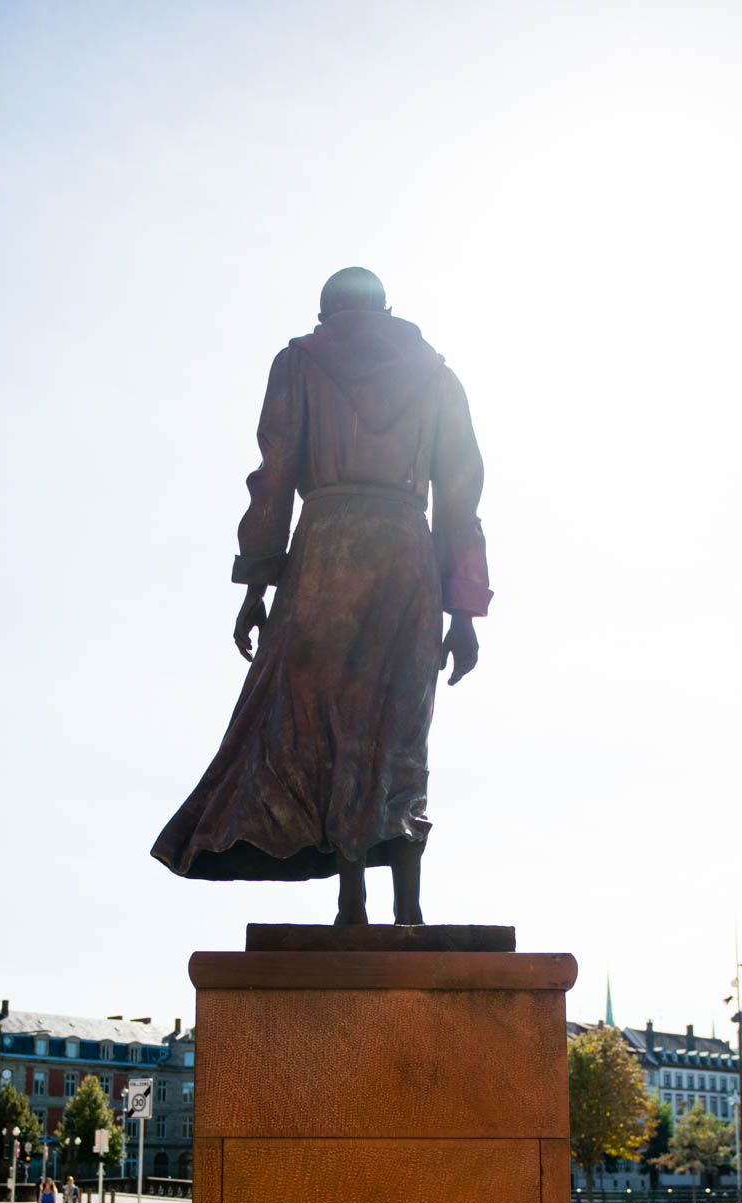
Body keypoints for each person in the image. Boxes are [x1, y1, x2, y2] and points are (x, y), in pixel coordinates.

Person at [151, 266, 490, 926]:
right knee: (399, 726)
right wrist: (465, 610)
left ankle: (352, 904)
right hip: (404, 550)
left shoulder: (300, 361)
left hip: (326, 552)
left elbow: (273, 471)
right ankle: (409, 909)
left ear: (325, 314)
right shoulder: (438, 376)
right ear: (389, 309)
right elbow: (460, 496)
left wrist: (256, 581)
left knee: (321, 722)